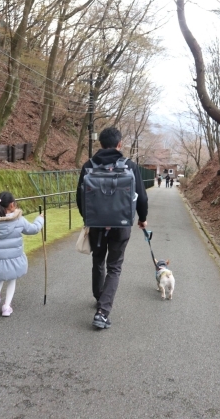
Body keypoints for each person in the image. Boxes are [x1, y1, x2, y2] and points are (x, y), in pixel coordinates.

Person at [76, 127, 148, 329]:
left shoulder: (89, 165)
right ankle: (102, 310)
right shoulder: (130, 166)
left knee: (98, 261)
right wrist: (142, 218)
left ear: (100, 143)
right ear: (119, 144)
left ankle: (100, 297)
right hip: (121, 224)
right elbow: (142, 196)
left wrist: (89, 218)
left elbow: (79, 198)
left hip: (96, 224)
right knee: (114, 267)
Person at [0, 191, 44, 317]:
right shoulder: (19, 220)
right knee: (12, 279)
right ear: (12, 205)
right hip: (14, 259)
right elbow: (33, 229)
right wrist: (40, 219)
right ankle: (6, 307)